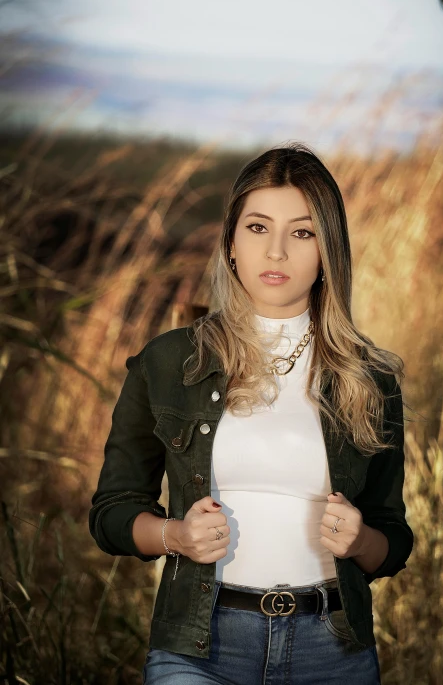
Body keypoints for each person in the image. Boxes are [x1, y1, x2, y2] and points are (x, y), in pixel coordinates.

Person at [89, 142, 414, 685]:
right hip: (200, 647)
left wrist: (360, 543)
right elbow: (112, 512)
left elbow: (391, 539)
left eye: (303, 232)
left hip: (331, 651)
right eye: (259, 228)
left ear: (328, 250)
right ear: (232, 244)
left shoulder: (368, 377)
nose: (278, 252)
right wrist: (176, 536)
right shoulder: (168, 362)